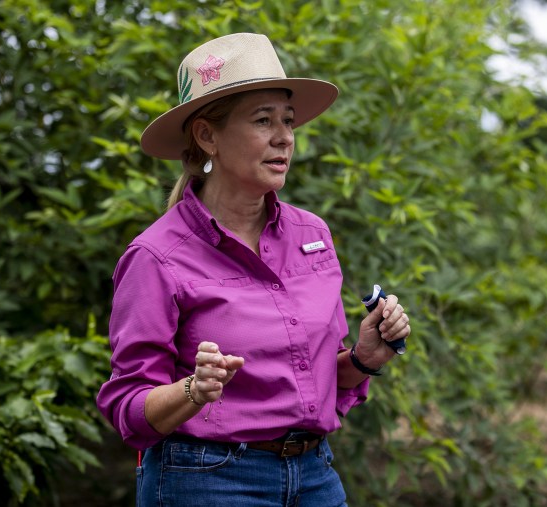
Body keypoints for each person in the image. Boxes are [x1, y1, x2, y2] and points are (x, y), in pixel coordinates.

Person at [96, 32, 411, 506]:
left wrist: (365, 357)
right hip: (205, 480)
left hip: (314, 475)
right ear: (207, 136)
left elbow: (312, 377)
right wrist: (193, 391)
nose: (284, 137)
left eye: (288, 121)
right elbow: (128, 407)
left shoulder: (313, 235)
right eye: (263, 121)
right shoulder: (156, 256)